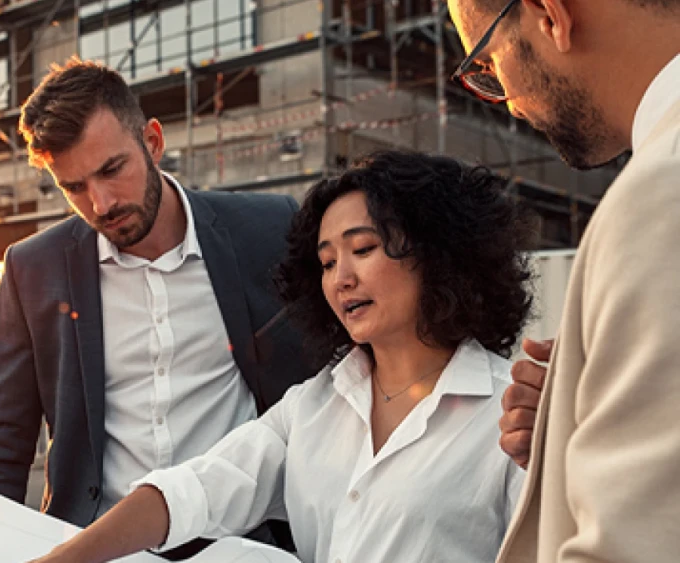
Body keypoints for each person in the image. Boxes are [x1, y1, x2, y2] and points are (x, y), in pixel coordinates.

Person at [28, 150, 535, 563]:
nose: (341, 279)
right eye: (327, 261)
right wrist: (66, 559)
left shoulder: (516, 415)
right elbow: (197, 488)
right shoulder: (315, 405)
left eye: (363, 250)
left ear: (436, 253)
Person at [0, 58, 309, 555]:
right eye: (74, 187)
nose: (101, 203)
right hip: (99, 545)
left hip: (244, 543)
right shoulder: (33, 268)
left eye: (112, 170)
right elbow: (2, 438)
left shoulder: (268, 230)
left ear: (152, 141)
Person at [448, 0, 680, 560]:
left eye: (486, 63)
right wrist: (587, 406)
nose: (505, 105)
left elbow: (634, 544)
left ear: (548, 14)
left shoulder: (659, 194)